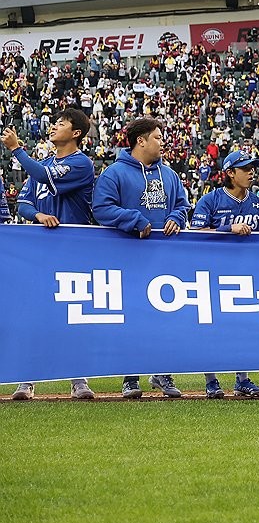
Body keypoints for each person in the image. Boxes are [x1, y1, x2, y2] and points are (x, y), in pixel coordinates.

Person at [92, 117, 191, 399]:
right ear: (141, 141)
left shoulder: (170, 175)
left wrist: (174, 216)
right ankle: (130, 377)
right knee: (132, 316)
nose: (163, 142)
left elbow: (182, 206)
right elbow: (101, 209)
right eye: (158, 137)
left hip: (164, 259)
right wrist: (134, 219)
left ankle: (162, 373)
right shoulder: (114, 173)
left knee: (165, 317)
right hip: (128, 257)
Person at [3, 109, 97, 400]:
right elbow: (24, 203)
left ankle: (78, 379)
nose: (55, 126)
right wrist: (39, 215)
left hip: (73, 250)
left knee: (73, 314)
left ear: (77, 133)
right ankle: (26, 379)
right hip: (42, 250)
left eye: (61, 123)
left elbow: (42, 175)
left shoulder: (81, 163)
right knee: (34, 314)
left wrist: (17, 149)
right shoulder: (42, 164)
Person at [189, 150, 259, 398]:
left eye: (252, 167)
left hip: (244, 274)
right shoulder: (211, 200)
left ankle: (242, 380)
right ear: (230, 173)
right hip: (212, 272)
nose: (251, 172)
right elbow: (197, 233)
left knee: (243, 327)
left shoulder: (257, 202)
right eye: (245, 168)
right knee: (210, 327)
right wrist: (227, 228)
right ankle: (211, 381)